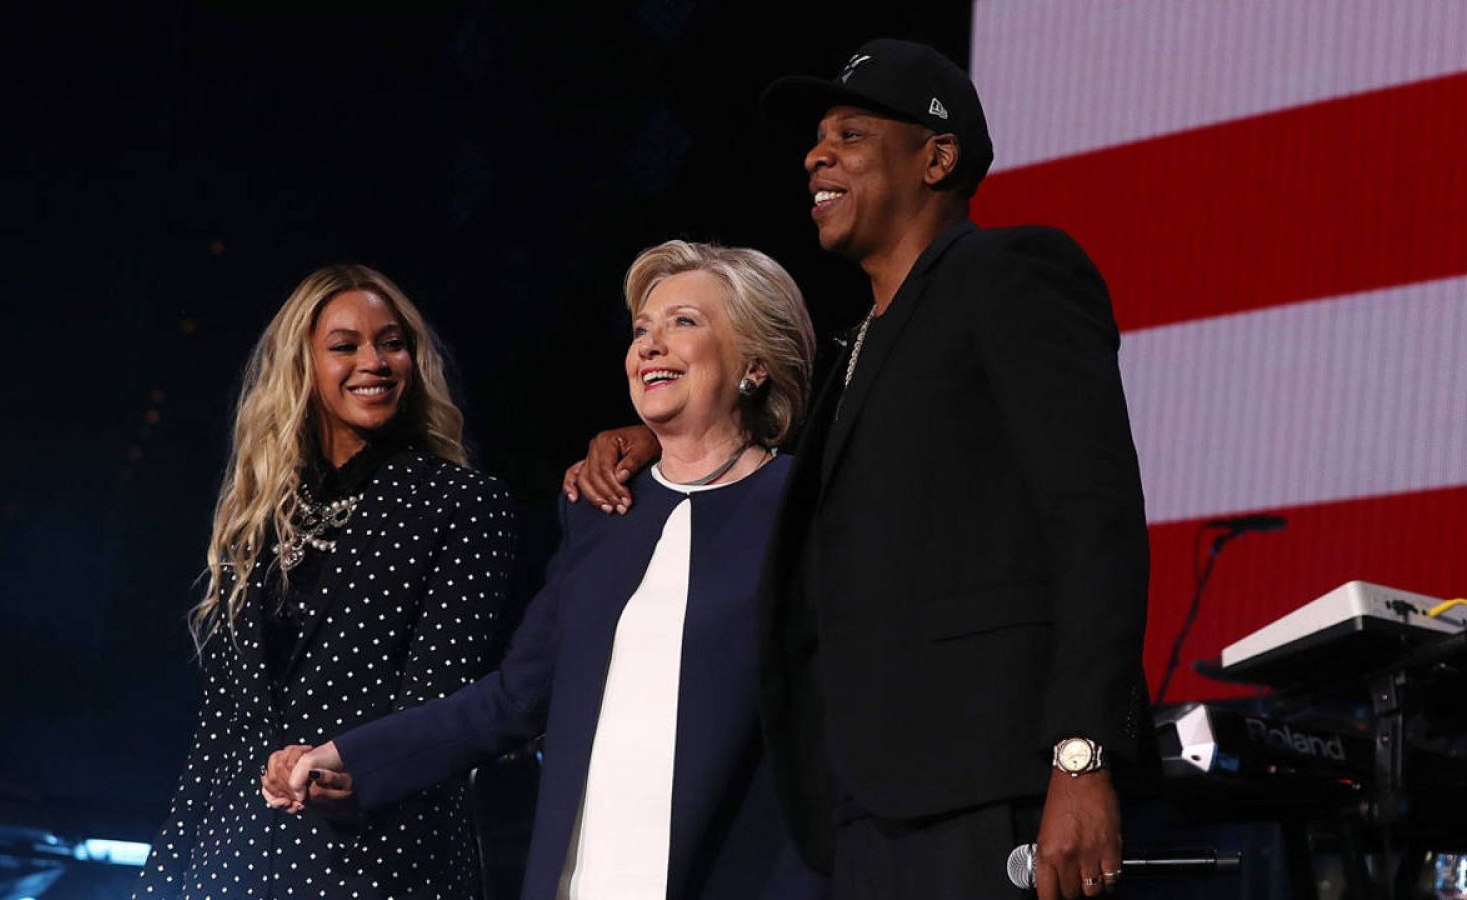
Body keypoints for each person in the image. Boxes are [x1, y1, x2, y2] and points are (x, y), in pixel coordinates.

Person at [568, 40, 1151, 900]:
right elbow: (836, 504)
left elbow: (1094, 521)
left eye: (852, 133)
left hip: (995, 792)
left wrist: (1081, 755)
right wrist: (669, 438)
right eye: (815, 139)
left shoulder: (1011, 274)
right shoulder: (858, 349)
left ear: (937, 156)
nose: (815, 154)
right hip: (866, 813)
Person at [261, 241, 827, 899]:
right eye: (641, 329)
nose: (649, 345)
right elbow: (513, 698)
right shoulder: (604, 508)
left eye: (684, 322)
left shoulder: (807, 508)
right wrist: (346, 756)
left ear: (755, 365)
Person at [134, 264, 517, 899]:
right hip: (236, 861)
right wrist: (161, 883)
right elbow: (219, 736)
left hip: (379, 855)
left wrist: (352, 772)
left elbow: (441, 703)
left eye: (392, 342)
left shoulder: (461, 503)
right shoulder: (259, 519)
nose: (375, 361)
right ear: (302, 367)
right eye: (345, 346)